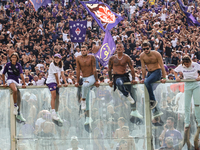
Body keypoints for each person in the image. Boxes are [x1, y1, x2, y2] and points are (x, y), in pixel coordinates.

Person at [108, 42, 142, 119]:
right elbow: (109, 70)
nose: (119, 48)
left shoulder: (126, 57)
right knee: (119, 83)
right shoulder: (112, 58)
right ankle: (126, 94)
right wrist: (110, 80)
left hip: (125, 76)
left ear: (123, 49)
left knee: (133, 91)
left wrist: (133, 79)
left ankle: (134, 110)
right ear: (116, 49)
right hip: (117, 76)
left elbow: (132, 68)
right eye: (117, 47)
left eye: (120, 47)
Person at [140, 41, 166, 118]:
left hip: (157, 72)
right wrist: (143, 78)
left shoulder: (156, 54)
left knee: (147, 82)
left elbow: (162, 66)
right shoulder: (142, 55)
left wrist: (164, 77)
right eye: (144, 49)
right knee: (147, 89)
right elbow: (143, 68)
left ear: (150, 48)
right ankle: (156, 110)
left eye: (147, 48)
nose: (146, 50)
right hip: (149, 73)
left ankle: (153, 102)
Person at [75, 45, 99, 125]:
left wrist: (97, 80)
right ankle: (88, 118)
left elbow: (94, 69)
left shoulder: (91, 57)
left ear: (87, 51)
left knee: (85, 86)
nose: (83, 51)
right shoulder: (78, 58)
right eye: (82, 50)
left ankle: (83, 100)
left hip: (91, 77)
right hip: (84, 78)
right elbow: (78, 71)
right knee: (87, 97)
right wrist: (77, 81)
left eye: (84, 50)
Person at [174, 55, 200, 128]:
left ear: (190, 62)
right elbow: (175, 71)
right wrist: (177, 77)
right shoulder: (182, 66)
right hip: (187, 84)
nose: (186, 65)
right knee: (186, 105)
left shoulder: (195, 65)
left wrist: (199, 77)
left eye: (187, 64)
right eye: (185, 64)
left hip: (195, 84)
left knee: (197, 104)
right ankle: (187, 121)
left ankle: (199, 120)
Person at [2, 52, 26, 123]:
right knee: (14, 90)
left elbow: (21, 75)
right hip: (10, 80)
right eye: (13, 57)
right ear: (10, 58)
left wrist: (24, 83)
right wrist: (4, 83)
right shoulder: (8, 65)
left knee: (19, 96)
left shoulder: (18, 65)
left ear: (17, 58)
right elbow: (3, 74)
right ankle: (15, 106)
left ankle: (19, 113)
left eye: (15, 57)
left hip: (17, 81)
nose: (14, 58)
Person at [46, 54, 68, 126]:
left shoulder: (60, 65)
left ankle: (56, 112)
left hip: (56, 82)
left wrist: (65, 82)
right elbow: (55, 75)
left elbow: (62, 74)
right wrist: (59, 83)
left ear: (60, 59)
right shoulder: (52, 64)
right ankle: (53, 112)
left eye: (57, 58)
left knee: (58, 98)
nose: (56, 59)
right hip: (52, 81)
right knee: (54, 96)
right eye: (55, 58)